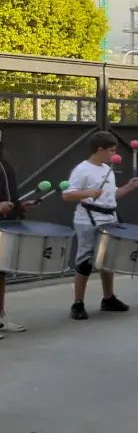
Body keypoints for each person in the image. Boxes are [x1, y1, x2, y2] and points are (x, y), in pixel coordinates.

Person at [62, 132, 138, 321]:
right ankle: (78, 303)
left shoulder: (108, 169)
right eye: (111, 150)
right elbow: (67, 195)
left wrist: (128, 187)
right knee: (85, 261)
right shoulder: (82, 169)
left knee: (108, 260)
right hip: (87, 220)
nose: (114, 154)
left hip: (109, 218)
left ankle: (108, 298)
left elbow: (111, 196)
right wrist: (88, 192)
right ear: (100, 149)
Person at [0, 128, 37, 334]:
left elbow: (8, 193)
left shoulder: (4, 164)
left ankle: (1, 317)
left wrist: (19, 205)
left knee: (0, 272)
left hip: (5, 225)